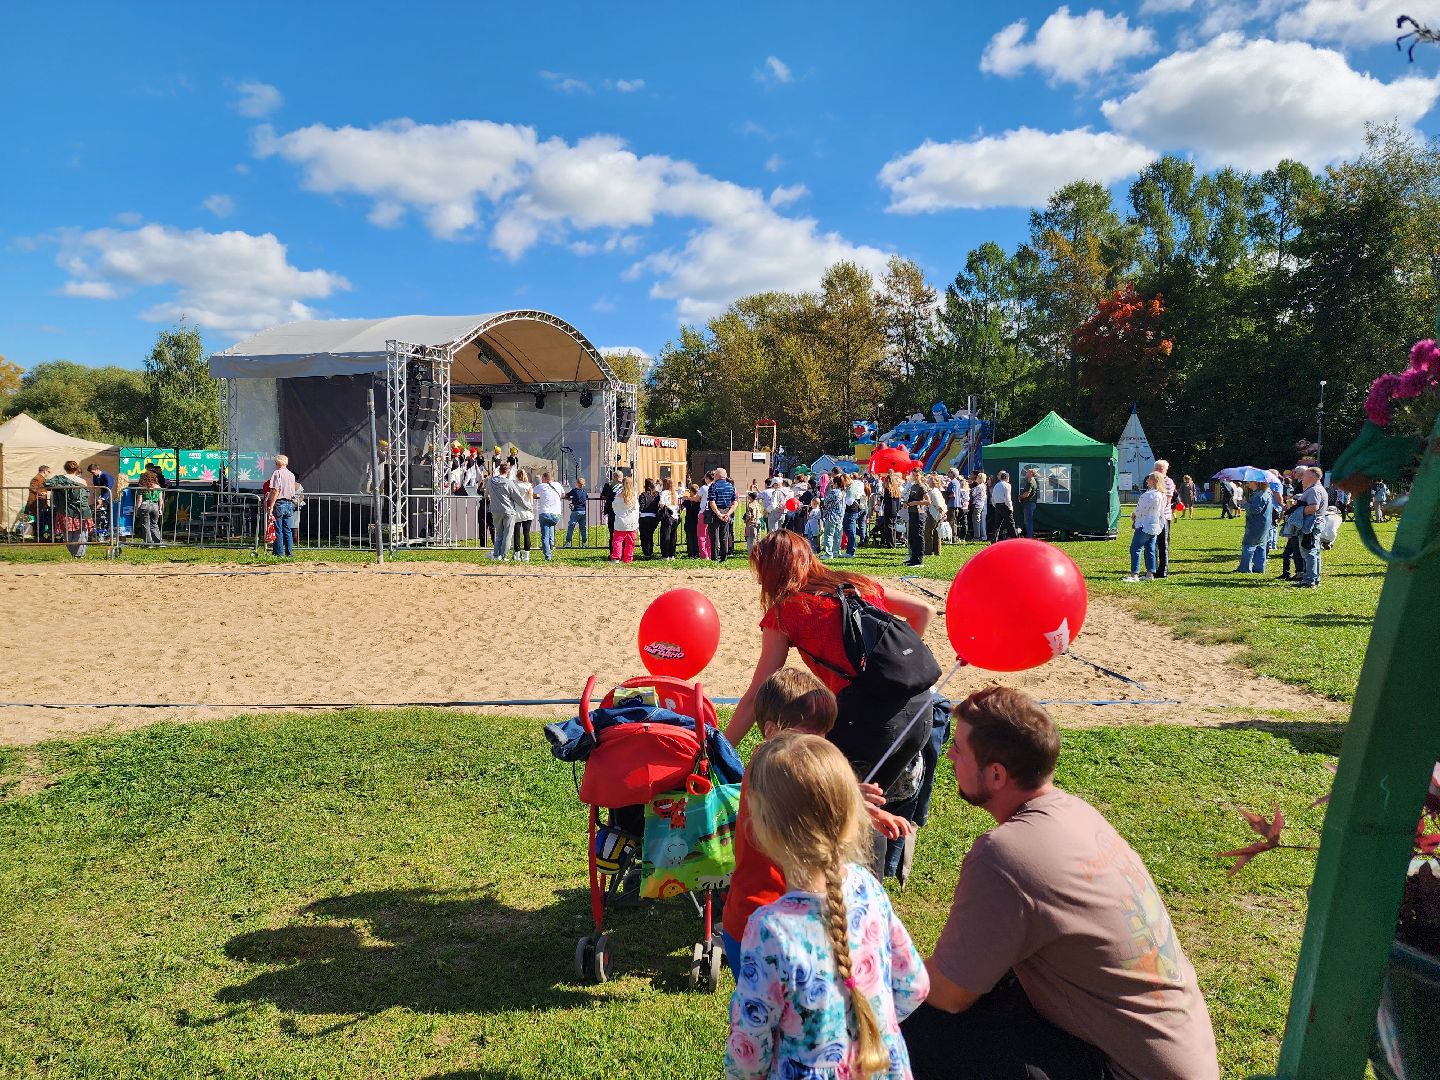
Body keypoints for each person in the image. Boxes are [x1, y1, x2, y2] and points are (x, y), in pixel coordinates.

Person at [902, 687, 1219, 1080]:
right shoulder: (1076, 814)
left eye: (960, 749)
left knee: (916, 1030)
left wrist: (876, 973)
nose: (949, 755)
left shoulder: (1005, 855)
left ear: (996, 774)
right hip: (1176, 1056)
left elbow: (948, 994)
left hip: (1124, 1069)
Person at [725, 731, 929, 1080]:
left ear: (762, 828)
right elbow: (914, 986)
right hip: (882, 1067)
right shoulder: (869, 889)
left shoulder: (769, 929)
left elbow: (749, 1051)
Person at [726, 530, 941, 808]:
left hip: (870, 724)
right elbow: (924, 611)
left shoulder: (786, 612)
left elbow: (757, 694)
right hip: (921, 710)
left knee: (840, 810)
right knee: (894, 814)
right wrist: (891, 670)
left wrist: (721, 748)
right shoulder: (856, 583)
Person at [45, 460, 94, 558]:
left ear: (65, 468)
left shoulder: (59, 479)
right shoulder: (83, 481)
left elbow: (47, 484)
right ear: (77, 469)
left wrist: (60, 488)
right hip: (81, 510)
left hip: (65, 511)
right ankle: (78, 555)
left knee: (68, 535)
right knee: (81, 533)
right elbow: (87, 496)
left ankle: (76, 555)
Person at [1124, 471, 1167, 583]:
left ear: (1155, 481)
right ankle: (1150, 573)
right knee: (1150, 549)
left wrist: (1134, 515)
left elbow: (1141, 510)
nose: (1147, 480)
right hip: (1155, 525)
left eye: (1149, 479)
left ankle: (1134, 575)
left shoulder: (1148, 495)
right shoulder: (1162, 495)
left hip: (1144, 524)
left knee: (1135, 548)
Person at [1291, 466, 1328, 589]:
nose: (1302, 478)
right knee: (1314, 551)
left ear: (1312, 476)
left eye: (1305, 475)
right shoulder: (1318, 489)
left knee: (1308, 551)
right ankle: (1314, 578)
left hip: (1310, 524)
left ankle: (1309, 580)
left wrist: (1297, 510)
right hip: (1316, 522)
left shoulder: (1314, 490)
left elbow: (1313, 507)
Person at [486, 463, 525, 560]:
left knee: (498, 534)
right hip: (508, 511)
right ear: (508, 471)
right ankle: (504, 556)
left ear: (499, 470)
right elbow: (518, 498)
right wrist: (527, 506)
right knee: (507, 535)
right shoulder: (509, 483)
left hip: (495, 510)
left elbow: (486, 494)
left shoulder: (490, 481)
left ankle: (496, 555)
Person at [265, 454, 298, 558]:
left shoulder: (277, 473)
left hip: (279, 503)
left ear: (276, 463)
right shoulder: (291, 475)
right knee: (288, 530)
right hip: (289, 503)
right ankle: (289, 554)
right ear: (286, 463)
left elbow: (275, 490)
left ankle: (279, 553)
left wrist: (271, 505)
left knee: (278, 530)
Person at [1237, 481, 1271, 574]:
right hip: (1263, 524)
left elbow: (1255, 510)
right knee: (1261, 545)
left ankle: (1244, 568)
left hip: (1255, 524)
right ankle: (1259, 568)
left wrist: (1244, 503)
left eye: (1249, 481)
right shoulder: (1265, 493)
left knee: (1248, 545)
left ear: (1256, 483)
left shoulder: (1259, 495)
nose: (1247, 483)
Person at [534, 470, 565, 561]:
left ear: (544, 478)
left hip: (545, 513)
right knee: (551, 525)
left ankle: (548, 556)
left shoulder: (541, 486)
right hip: (556, 514)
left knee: (545, 536)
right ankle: (551, 544)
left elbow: (531, 492)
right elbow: (563, 494)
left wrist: (538, 496)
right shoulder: (558, 485)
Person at [708, 467, 737, 562]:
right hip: (727, 511)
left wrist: (718, 514)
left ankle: (715, 557)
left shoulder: (713, 486)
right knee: (724, 535)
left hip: (716, 512)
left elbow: (712, 502)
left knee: (714, 536)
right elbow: (735, 502)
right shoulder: (731, 486)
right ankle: (724, 557)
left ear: (717, 476)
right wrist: (728, 514)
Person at [1153, 460, 1177, 578]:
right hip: (1152, 518)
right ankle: (1152, 568)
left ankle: (1163, 570)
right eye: (1156, 468)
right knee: (1152, 544)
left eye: (1160, 469)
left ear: (1166, 470)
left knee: (1163, 544)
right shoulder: (1151, 481)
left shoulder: (1168, 482)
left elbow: (1167, 501)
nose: (1157, 471)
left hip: (1163, 517)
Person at [610, 475, 639, 563]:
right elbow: (637, 509)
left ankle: (616, 557)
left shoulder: (619, 495)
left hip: (620, 520)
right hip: (631, 522)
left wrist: (619, 513)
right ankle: (628, 558)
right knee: (630, 542)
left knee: (618, 540)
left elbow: (614, 507)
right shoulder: (634, 496)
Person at [904, 470, 927, 568]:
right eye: (913, 475)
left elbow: (928, 501)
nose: (915, 477)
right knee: (912, 536)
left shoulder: (922, 487)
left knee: (918, 536)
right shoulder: (913, 486)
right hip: (911, 512)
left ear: (921, 475)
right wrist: (906, 503)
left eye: (917, 475)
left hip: (919, 513)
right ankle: (913, 558)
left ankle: (919, 560)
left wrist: (915, 503)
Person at [135, 468, 164, 546]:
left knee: (145, 525)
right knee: (154, 524)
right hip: (155, 506)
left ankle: (149, 543)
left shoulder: (142, 486)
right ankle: (159, 542)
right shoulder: (158, 486)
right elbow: (160, 499)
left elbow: (139, 499)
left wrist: (137, 509)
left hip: (145, 504)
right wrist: (160, 509)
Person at [841, 472, 866, 558]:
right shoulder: (857, 484)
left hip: (852, 510)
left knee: (849, 530)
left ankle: (851, 550)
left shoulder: (851, 488)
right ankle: (852, 548)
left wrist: (843, 496)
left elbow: (849, 502)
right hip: (859, 509)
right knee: (853, 529)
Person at [27, 465, 52, 541]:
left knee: (42, 519)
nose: (49, 473)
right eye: (48, 471)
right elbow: (33, 487)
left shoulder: (42, 479)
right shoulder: (36, 478)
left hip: (41, 503)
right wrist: (40, 493)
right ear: (44, 471)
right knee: (39, 520)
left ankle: (40, 536)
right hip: (37, 502)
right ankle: (38, 537)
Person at [990, 470, 1017, 542]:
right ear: (1006, 478)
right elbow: (1007, 497)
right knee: (1011, 523)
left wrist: (995, 505)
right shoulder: (1007, 485)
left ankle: (993, 539)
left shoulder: (996, 485)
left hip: (998, 505)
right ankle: (1016, 538)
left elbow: (993, 497)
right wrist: (1010, 507)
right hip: (1004, 505)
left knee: (997, 524)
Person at [638, 478, 661, 559]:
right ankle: (650, 552)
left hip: (644, 517)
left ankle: (647, 553)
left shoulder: (643, 495)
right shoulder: (656, 495)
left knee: (644, 536)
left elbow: (641, 506)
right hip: (654, 517)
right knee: (650, 535)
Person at [562, 476, 588, 548]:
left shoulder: (574, 491)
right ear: (584, 484)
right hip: (583, 511)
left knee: (571, 526)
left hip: (575, 511)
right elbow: (586, 497)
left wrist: (569, 498)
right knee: (583, 528)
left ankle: (568, 542)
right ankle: (584, 543)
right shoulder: (585, 491)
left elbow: (567, 495)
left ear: (576, 483)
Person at [658, 477, 679, 559]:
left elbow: (662, 504)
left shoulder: (663, 493)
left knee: (665, 536)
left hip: (667, 516)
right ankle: (672, 554)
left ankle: (665, 555)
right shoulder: (675, 493)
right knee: (673, 536)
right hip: (675, 516)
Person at [599, 470, 621, 543]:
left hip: (611, 511)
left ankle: (612, 552)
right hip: (622, 512)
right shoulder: (624, 485)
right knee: (621, 533)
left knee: (612, 532)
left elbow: (602, 496)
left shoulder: (608, 485)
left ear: (614, 477)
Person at [1018, 466, 1039, 538]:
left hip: (1029, 503)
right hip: (1030, 504)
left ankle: (1029, 537)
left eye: (1028, 472)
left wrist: (1020, 497)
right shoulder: (1031, 481)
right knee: (1028, 521)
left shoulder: (1031, 482)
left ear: (1031, 473)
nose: (1026, 473)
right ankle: (1029, 536)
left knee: (1028, 521)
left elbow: (1027, 493)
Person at [682, 481, 702, 558]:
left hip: (689, 521)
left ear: (692, 492)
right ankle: (696, 553)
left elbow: (682, 505)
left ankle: (690, 553)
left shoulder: (688, 501)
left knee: (689, 538)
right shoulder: (699, 501)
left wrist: (686, 498)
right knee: (696, 537)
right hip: (697, 521)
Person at [968, 471, 988, 543]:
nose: (976, 478)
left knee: (976, 520)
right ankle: (979, 535)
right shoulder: (983, 486)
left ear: (981, 478)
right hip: (980, 504)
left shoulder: (979, 486)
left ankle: (977, 537)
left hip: (977, 504)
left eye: (978, 477)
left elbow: (973, 494)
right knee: (978, 520)